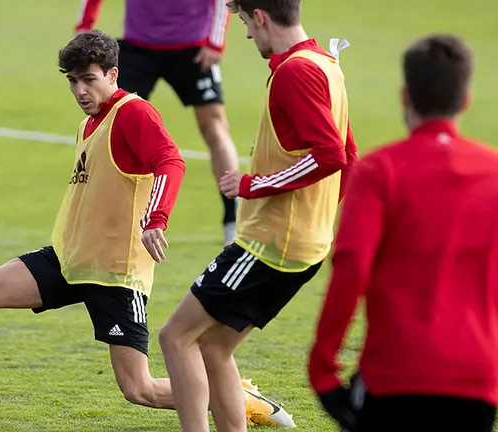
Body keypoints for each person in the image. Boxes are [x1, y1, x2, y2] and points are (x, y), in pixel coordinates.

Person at [0, 29, 186, 431]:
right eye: (73, 80)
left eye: (88, 78)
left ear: (112, 74)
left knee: (139, 389)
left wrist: (156, 220)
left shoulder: (133, 113)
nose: (80, 89)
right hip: (69, 260)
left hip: (114, 273)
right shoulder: (87, 125)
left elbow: (170, 161)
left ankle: (233, 394)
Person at [157, 0, 358, 430]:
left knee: (175, 337)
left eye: (246, 21)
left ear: (262, 16)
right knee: (214, 349)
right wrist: (318, 218)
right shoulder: (325, 63)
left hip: (269, 244)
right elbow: (350, 155)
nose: (246, 34)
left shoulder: (294, 72)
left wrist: (253, 185)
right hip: (304, 244)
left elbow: (331, 156)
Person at [308, 34, 498, 432]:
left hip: (394, 375)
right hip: (476, 381)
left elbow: (351, 267)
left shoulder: (378, 170)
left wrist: (323, 367)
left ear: (405, 96)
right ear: (465, 100)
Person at [75, 0, 242, 245]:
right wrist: (85, 24)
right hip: (138, 46)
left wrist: (216, 41)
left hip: (193, 47)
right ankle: (101, 215)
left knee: (214, 126)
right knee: (108, 123)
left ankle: (232, 218)